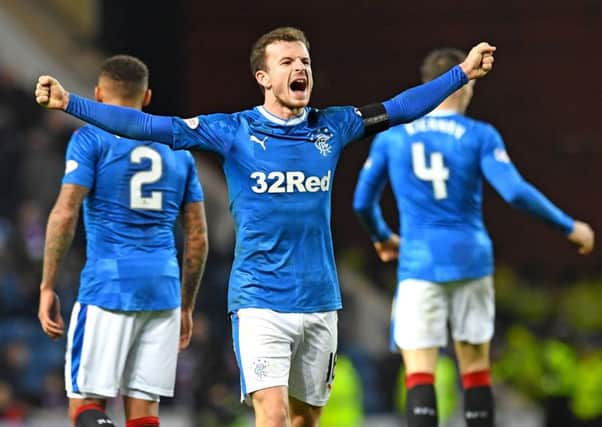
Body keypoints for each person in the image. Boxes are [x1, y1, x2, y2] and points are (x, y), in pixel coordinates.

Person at [35, 28, 495, 427]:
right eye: (289, 61)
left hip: (319, 300)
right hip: (258, 300)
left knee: (304, 418)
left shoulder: (333, 126)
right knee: (272, 415)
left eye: (306, 61)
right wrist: (70, 102)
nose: (302, 69)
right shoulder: (232, 130)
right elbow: (147, 124)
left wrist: (462, 74)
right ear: (264, 77)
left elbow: (401, 107)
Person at [352, 47, 594, 427]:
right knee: (476, 371)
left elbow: (362, 202)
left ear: (428, 86)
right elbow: (514, 192)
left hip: (419, 263)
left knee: (419, 374)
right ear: (465, 86)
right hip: (471, 259)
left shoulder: (393, 138)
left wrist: (382, 237)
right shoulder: (480, 135)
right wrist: (570, 226)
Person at [37, 55, 209, 427]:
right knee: (144, 413)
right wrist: (186, 305)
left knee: (85, 404)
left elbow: (65, 212)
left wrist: (47, 285)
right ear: (146, 97)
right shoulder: (178, 151)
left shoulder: (89, 138)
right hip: (162, 290)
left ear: (98, 95)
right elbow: (197, 237)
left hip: (108, 285)